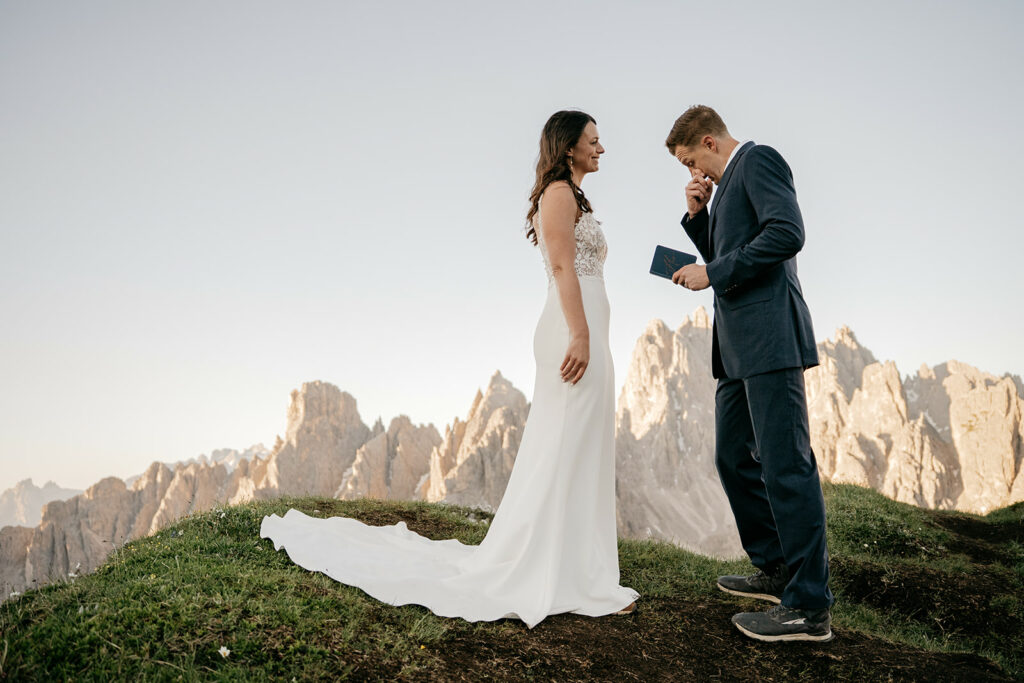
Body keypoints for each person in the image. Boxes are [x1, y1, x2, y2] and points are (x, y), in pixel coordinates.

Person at [260, 109, 638, 629]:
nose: (602, 148)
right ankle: (555, 572)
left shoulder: (576, 197)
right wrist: (579, 333)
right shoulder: (557, 194)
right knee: (565, 444)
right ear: (568, 146)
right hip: (573, 333)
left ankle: (583, 571)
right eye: (594, 140)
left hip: (589, 333)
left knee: (584, 445)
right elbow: (560, 265)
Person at [666, 105, 834, 642]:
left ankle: (809, 609)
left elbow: (788, 233)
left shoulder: (759, 161)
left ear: (710, 142)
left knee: (786, 465)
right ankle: (778, 566)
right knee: (733, 456)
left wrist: (711, 271)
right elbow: (734, 253)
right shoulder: (726, 184)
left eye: (693, 162)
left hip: (769, 340)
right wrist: (700, 220)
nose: (695, 174)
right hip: (738, 350)